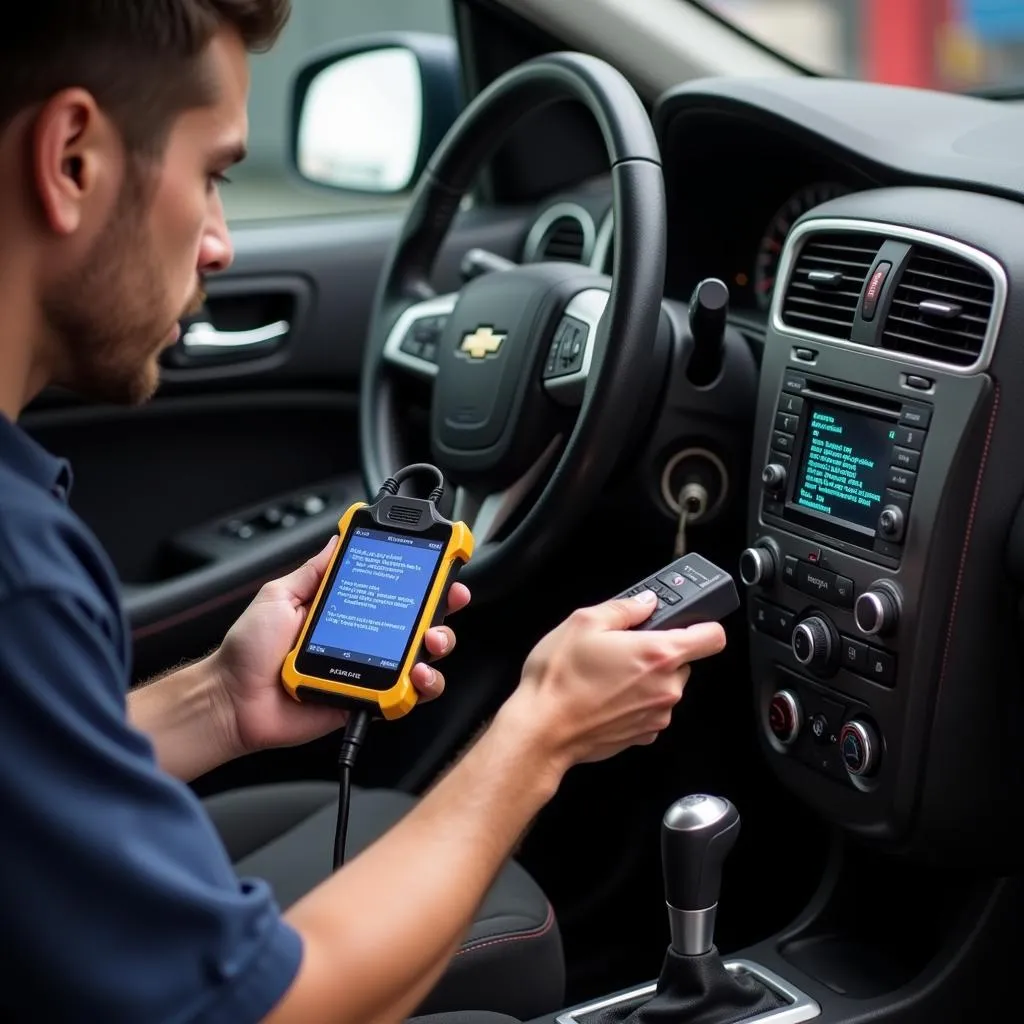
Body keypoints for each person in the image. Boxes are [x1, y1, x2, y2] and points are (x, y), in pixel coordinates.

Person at [0, 3, 728, 1023]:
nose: (218, 242)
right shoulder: (19, 571)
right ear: (72, 159)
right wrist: (543, 731)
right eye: (212, 173)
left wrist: (216, 700)